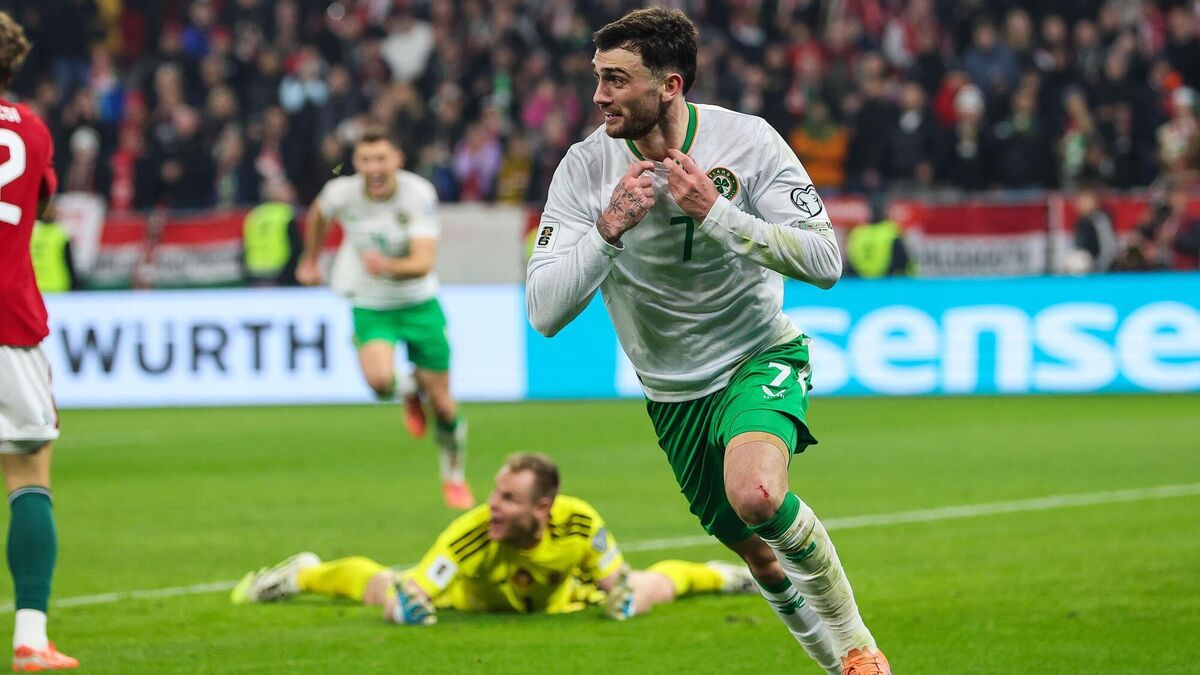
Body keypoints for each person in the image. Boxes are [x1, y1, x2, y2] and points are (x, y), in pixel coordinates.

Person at [525, 8, 888, 675]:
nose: (599, 95)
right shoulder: (584, 169)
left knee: (758, 494)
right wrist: (607, 232)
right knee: (760, 555)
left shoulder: (748, 141)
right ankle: (839, 666)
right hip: (673, 394)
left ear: (670, 85)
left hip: (758, 352)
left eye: (616, 79)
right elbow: (543, 312)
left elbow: (824, 261)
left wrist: (717, 213)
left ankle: (860, 649)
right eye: (598, 77)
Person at [231, 453, 757, 624]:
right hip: (471, 599)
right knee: (381, 588)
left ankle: (726, 575)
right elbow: (412, 594)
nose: (493, 507)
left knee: (648, 588)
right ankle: (302, 573)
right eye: (495, 493)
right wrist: (407, 607)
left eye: (508, 498)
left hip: (557, 597)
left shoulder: (579, 523)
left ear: (542, 508)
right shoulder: (474, 533)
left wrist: (622, 598)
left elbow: (616, 582)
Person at [296, 128, 474, 510]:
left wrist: (386, 266)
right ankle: (409, 391)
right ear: (356, 163)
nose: (373, 168)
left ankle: (454, 478)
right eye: (365, 160)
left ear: (398, 160)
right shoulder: (340, 192)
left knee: (444, 406)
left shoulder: (418, 194)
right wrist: (310, 259)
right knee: (379, 383)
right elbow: (318, 214)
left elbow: (423, 263)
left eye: (381, 159)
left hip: (419, 303)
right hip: (371, 302)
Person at [0, 11, 80, 671]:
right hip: (9, 322)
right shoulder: (32, 127)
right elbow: (42, 203)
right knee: (28, 474)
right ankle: (30, 638)